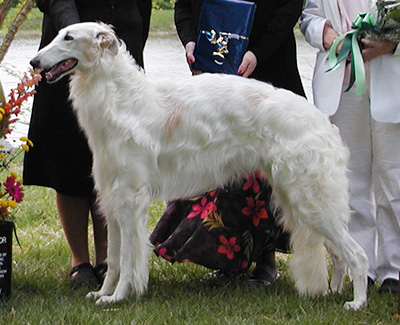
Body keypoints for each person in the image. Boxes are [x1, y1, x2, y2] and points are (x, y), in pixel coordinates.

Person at [150, 0, 305, 286]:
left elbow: (289, 9)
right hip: (214, 82)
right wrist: (189, 42)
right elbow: (184, 8)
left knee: (262, 177)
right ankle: (226, 259)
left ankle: (265, 261)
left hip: (268, 75)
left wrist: (257, 53)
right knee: (215, 170)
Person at [23, 0, 151, 288]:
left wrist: (132, 41)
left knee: (116, 164)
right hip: (69, 51)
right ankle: (79, 261)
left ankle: (109, 260)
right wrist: (74, 31)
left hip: (118, 59)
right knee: (66, 159)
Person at [300, 0, 400, 293]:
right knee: (349, 181)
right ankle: (361, 265)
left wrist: (391, 45)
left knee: (393, 179)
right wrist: (328, 36)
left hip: (391, 83)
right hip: (340, 82)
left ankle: (394, 268)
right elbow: (309, 19)